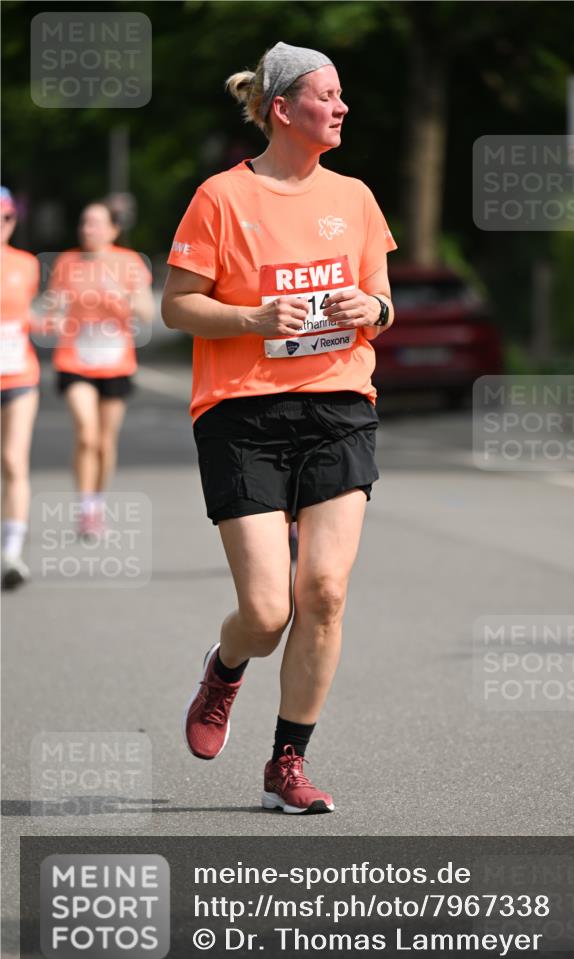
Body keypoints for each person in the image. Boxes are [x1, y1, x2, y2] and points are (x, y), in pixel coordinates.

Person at [162, 41, 397, 814]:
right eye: (327, 96)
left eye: (342, 96)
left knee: (323, 592)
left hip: (338, 405)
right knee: (268, 611)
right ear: (282, 109)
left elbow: (380, 298)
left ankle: (285, 765)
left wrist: (376, 310)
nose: (341, 108)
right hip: (242, 411)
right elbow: (177, 306)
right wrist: (251, 316)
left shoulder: (356, 198)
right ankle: (225, 668)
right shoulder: (220, 198)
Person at [47, 202, 153, 537]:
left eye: (95, 223)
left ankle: (97, 503)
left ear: (112, 229)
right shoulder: (67, 262)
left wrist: (120, 294)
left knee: (105, 443)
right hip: (75, 359)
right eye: (84, 222)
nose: (87, 229)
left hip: (115, 361)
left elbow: (147, 313)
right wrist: (56, 311)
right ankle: (85, 508)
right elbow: (54, 306)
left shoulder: (129, 262)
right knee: (86, 433)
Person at [0, 186, 41, 588]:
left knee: (13, 460)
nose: (2, 224)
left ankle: (11, 553)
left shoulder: (26, 264)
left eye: (7, 217)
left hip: (19, 375)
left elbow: (26, 314)